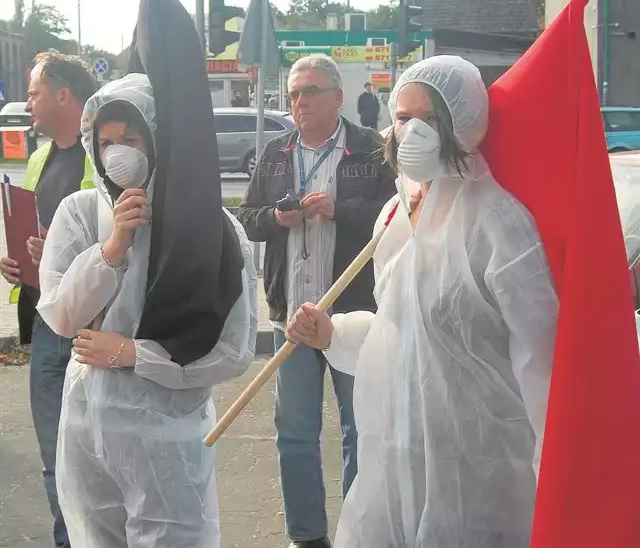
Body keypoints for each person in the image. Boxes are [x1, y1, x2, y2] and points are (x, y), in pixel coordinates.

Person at [286, 55, 559, 547]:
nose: (412, 133)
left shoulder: (497, 223)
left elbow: (543, 356)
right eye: (403, 118)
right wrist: (333, 333)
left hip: (481, 467)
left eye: (431, 120)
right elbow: (399, 330)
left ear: (466, 124)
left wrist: (556, 467)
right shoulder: (395, 215)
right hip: (400, 458)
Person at [36, 72, 257, 548]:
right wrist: (113, 246)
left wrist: (135, 354)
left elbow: (233, 350)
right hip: (87, 432)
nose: (117, 153)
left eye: (131, 138)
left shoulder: (210, 228)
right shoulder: (79, 213)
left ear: (159, 139)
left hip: (167, 441)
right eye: (106, 141)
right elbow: (60, 314)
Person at [238, 53, 396, 547]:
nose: (299, 103)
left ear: (337, 96)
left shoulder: (372, 149)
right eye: (293, 94)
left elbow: (395, 219)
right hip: (294, 314)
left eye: (309, 92)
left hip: (354, 315)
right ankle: (306, 537)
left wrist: (339, 210)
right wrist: (276, 219)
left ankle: (356, 531)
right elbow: (246, 217)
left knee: (361, 431)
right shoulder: (277, 152)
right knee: (296, 434)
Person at [0, 50, 97, 548]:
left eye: (35, 92)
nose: (28, 102)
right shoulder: (40, 157)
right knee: (52, 456)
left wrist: (59, 249)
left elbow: (114, 244)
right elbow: (36, 235)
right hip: (45, 325)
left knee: (96, 455)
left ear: (64, 95)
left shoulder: (102, 154)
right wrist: (19, 261)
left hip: (91, 331)